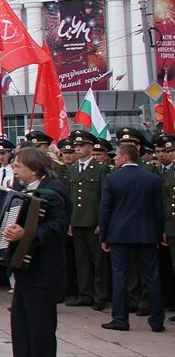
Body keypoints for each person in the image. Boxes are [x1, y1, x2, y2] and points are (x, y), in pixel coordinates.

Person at [0, 147, 70, 357]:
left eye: (18, 165)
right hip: (24, 266)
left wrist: (27, 234)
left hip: (44, 268)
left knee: (40, 326)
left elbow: (58, 227)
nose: (14, 169)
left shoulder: (54, 190)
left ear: (34, 167)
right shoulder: (23, 190)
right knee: (21, 321)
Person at [99, 142, 166, 332]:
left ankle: (120, 319)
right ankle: (157, 321)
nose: (115, 159)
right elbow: (158, 209)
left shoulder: (113, 179)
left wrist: (104, 235)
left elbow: (105, 210)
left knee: (120, 276)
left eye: (118, 156)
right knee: (152, 276)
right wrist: (158, 232)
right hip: (146, 233)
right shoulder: (151, 178)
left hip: (119, 234)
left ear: (126, 157)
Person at [62, 133, 109, 310]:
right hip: (77, 221)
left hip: (93, 221)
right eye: (76, 146)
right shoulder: (73, 169)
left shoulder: (100, 168)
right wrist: (69, 220)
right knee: (81, 260)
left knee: (98, 262)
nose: (77, 149)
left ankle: (99, 296)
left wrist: (101, 222)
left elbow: (104, 197)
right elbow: (69, 197)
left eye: (82, 145)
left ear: (91, 147)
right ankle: (85, 294)